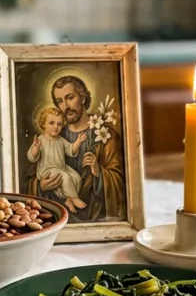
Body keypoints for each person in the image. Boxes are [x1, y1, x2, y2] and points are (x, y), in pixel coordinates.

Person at [24, 74, 127, 222]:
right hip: (58, 217)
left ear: (83, 98)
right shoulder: (53, 135)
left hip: (95, 217)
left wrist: (99, 172)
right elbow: (31, 178)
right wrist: (41, 187)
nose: (66, 106)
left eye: (70, 98)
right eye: (60, 101)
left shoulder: (106, 134)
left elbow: (121, 182)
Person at [27, 107, 88, 213]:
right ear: (43, 124)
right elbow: (32, 157)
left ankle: (68, 199)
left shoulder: (61, 140)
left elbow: (71, 150)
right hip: (47, 170)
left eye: (59, 124)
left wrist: (78, 141)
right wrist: (35, 148)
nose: (56, 127)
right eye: (51, 123)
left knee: (77, 178)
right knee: (65, 177)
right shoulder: (40, 140)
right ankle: (74, 198)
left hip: (61, 167)